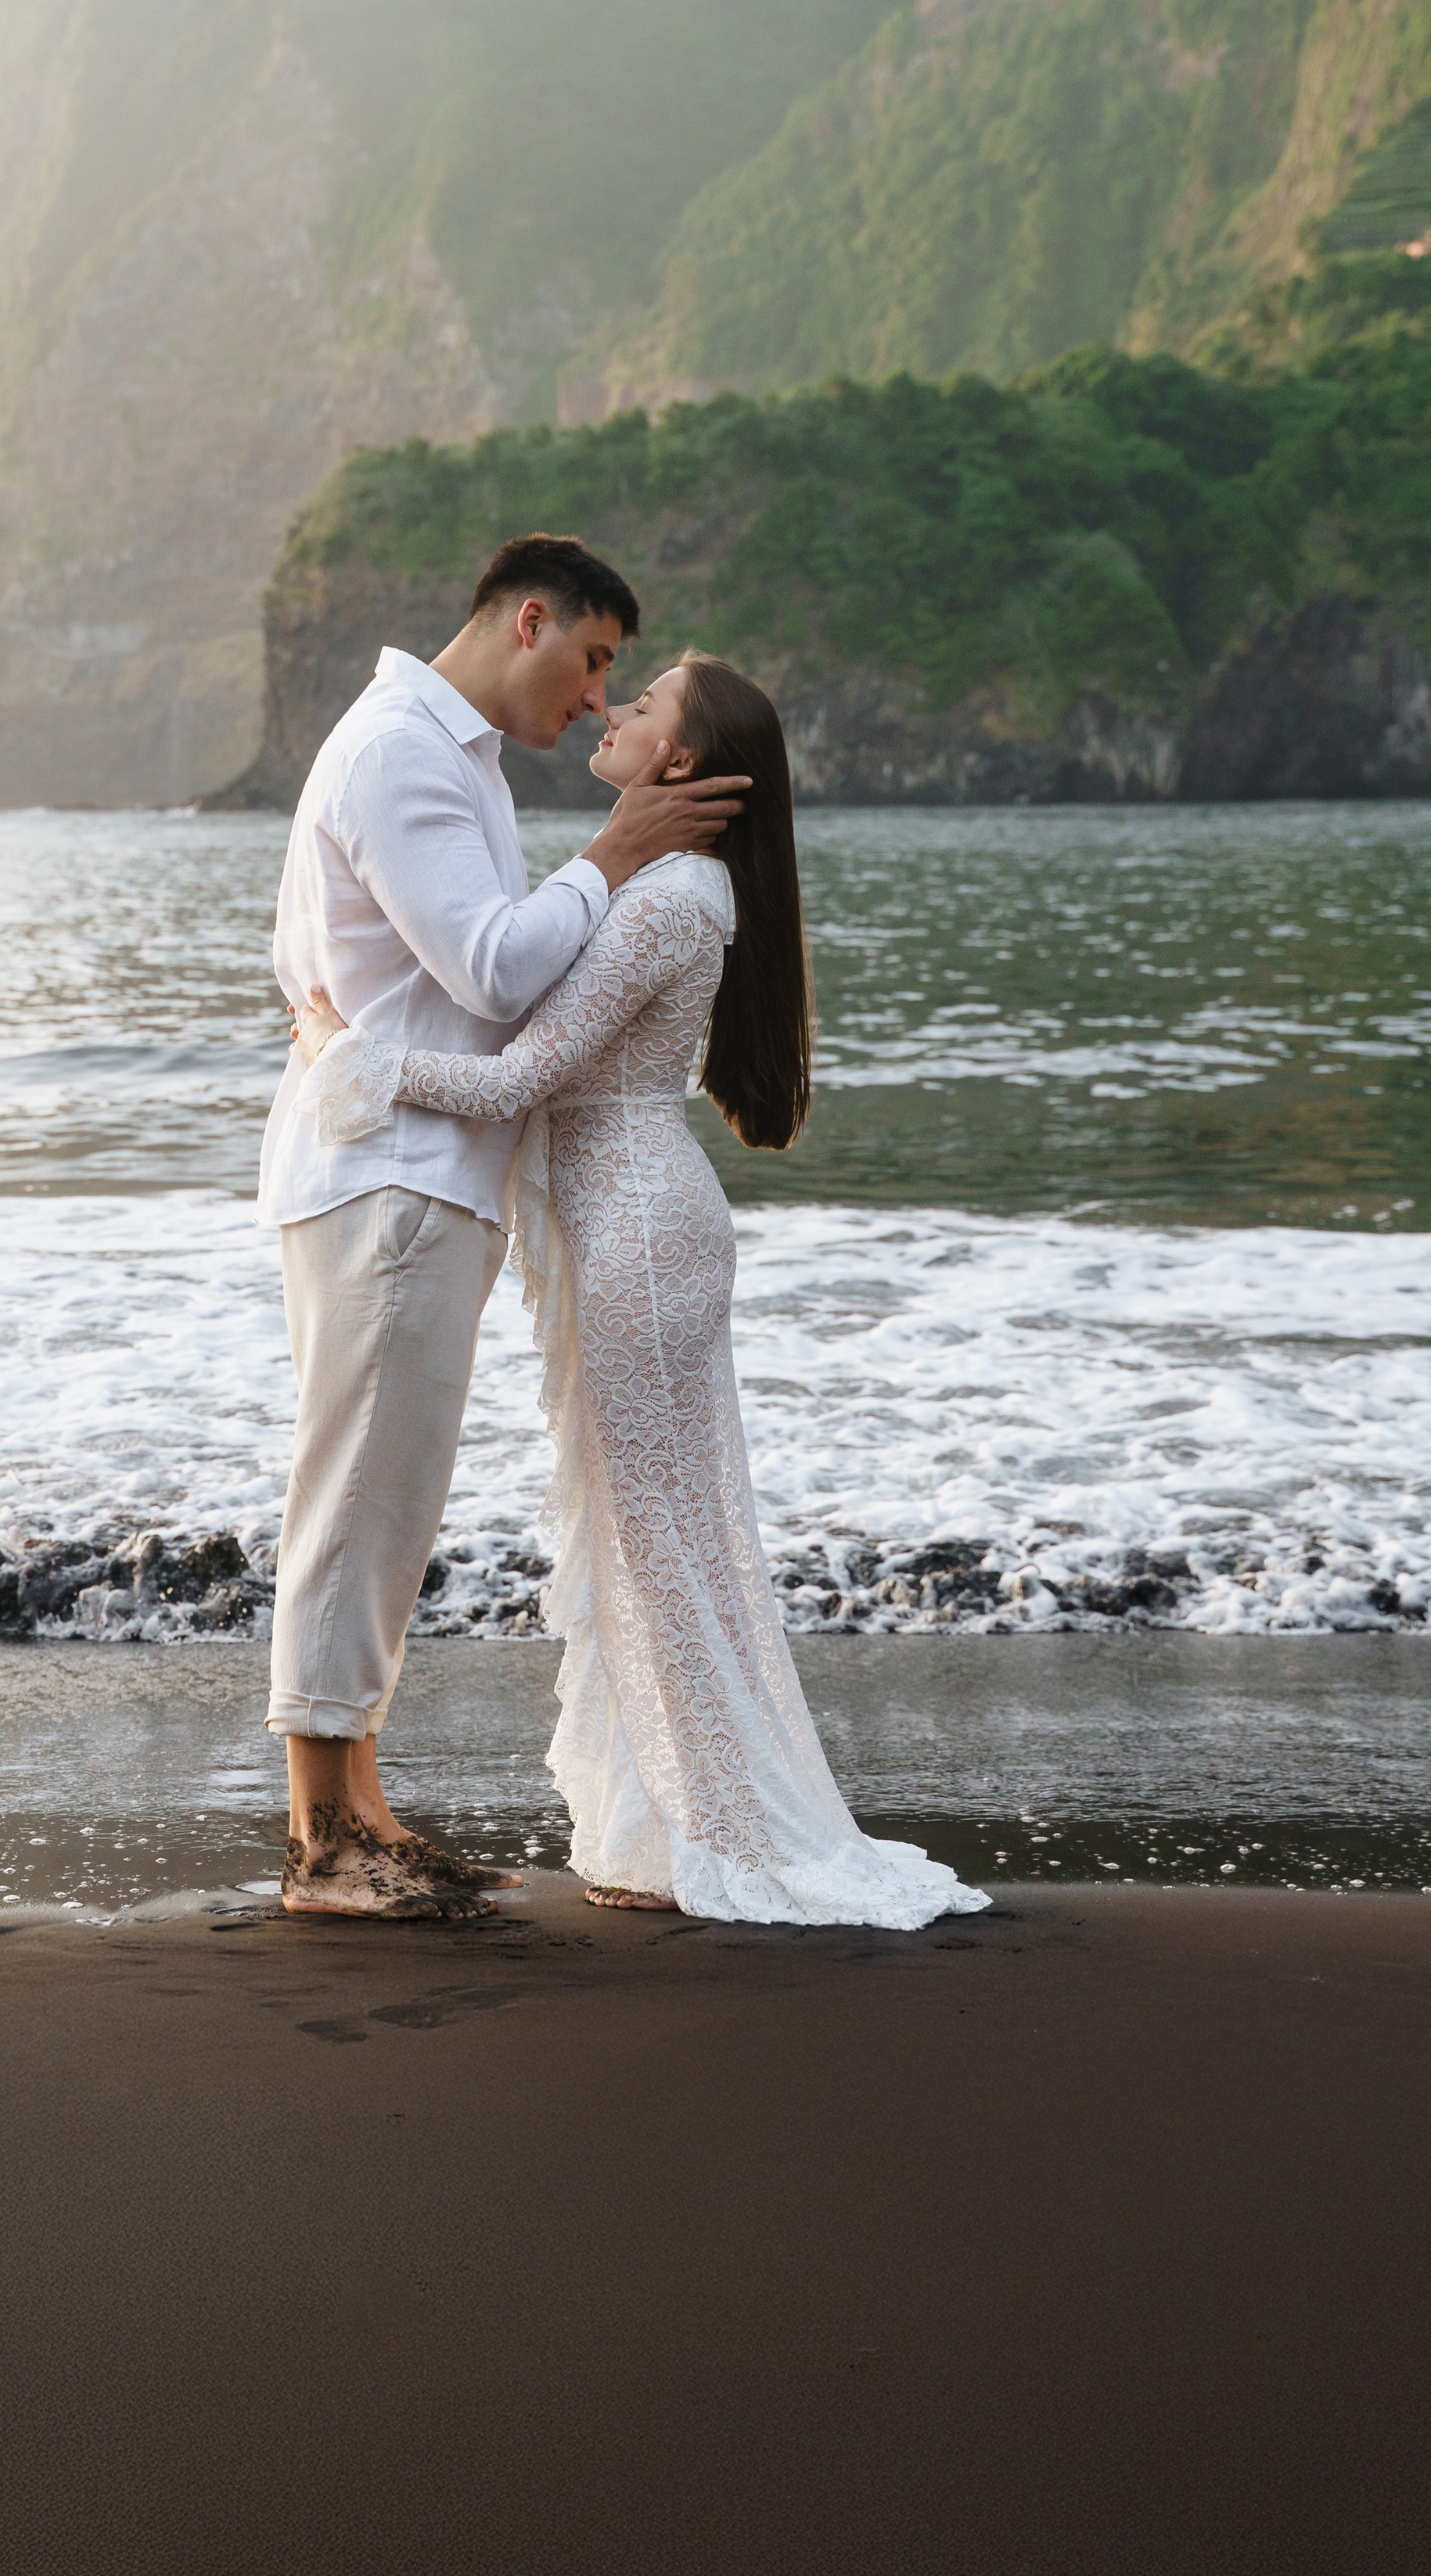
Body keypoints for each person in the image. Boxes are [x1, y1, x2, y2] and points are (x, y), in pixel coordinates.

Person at [295, 651, 989, 1929]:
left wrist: (356, 1055)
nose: (612, 707)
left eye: (644, 697)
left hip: (643, 1238)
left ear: (677, 761)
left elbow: (519, 1079)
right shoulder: (663, 885)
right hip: (636, 1230)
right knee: (657, 1535)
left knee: (666, 1547)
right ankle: (685, 1822)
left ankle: (726, 1832)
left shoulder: (672, 897)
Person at [258, 536, 750, 1918]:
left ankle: (354, 1806)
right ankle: (320, 1836)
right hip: (394, 1174)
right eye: (596, 658)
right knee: (357, 1493)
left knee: (386, 1494)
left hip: (413, 1165)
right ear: (528, 620)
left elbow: (394, 966)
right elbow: (489, 968)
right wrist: (612, 851)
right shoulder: (407, 751)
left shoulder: (445, 753)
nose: (600, 698)